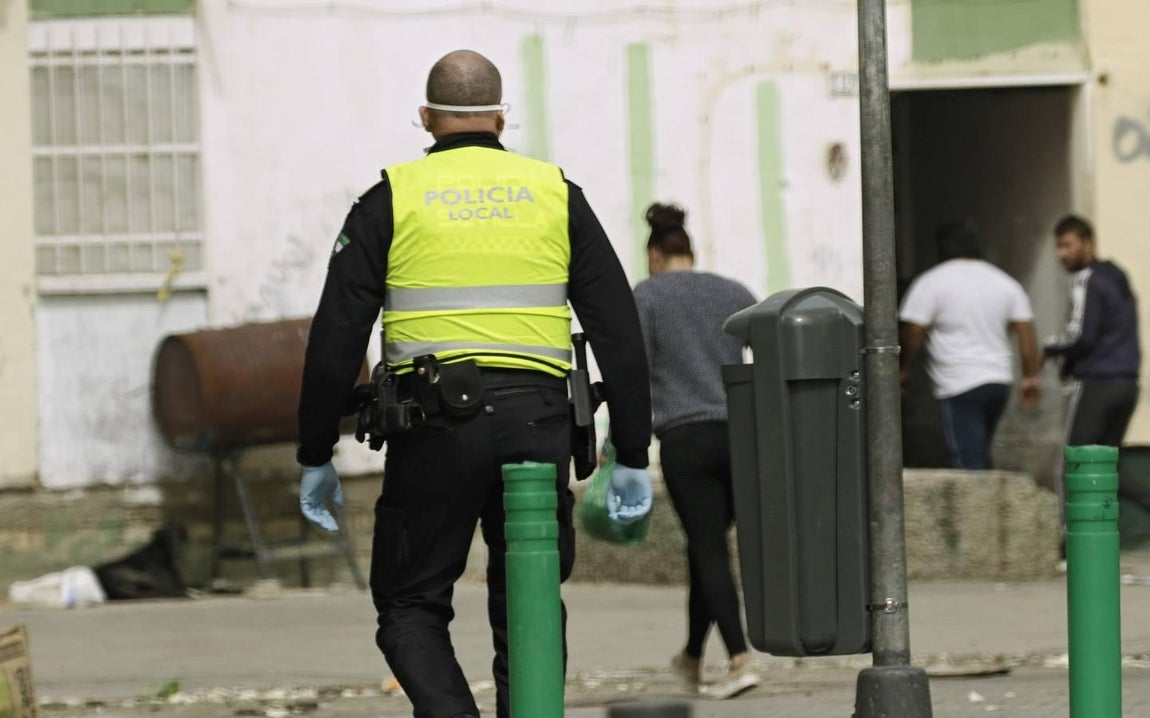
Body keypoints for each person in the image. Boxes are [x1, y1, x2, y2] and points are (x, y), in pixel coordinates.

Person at [294, 50, 654, 718]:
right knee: (530, 595)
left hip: (434, 430)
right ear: (499, 116)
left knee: (408, 603)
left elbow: (334, 338)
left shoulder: (390, 198)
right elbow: (619, 328)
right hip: (540, 425)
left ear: (427, 118)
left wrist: (316, 452)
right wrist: (632, 451)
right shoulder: (555, 194)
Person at [631, 202, 760, 700]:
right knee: (705, 549)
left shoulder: (647, 295)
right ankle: (689, 657)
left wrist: (620, 442)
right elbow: (767, 354)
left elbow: (634, 374)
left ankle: (740, 658)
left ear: (653, 254)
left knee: (707, 547)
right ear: (692, 251)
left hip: (686, 440)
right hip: (740, 434)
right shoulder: (734, 292)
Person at [898, 221, 1041, 470]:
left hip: (958, 383)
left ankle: (983, 509)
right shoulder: (1005, 283)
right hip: (998, 380)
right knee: (979, 451)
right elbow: (1025, 329)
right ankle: (993, 505)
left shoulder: (931, 283)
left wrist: (902, 369)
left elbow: (913, 330)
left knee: (967, 459)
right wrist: (1030, 376)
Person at [1045, 214, 1140, 449]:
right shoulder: (1116, 276)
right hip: (1127, 384)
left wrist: (1051, 349)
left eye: (1067, 245)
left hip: (1097, 382)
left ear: (1088, 242)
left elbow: (1081, 336)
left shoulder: (1086, 279)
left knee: (1076, 460)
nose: (1061, 254)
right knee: (1106, 464)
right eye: (1058, 247)